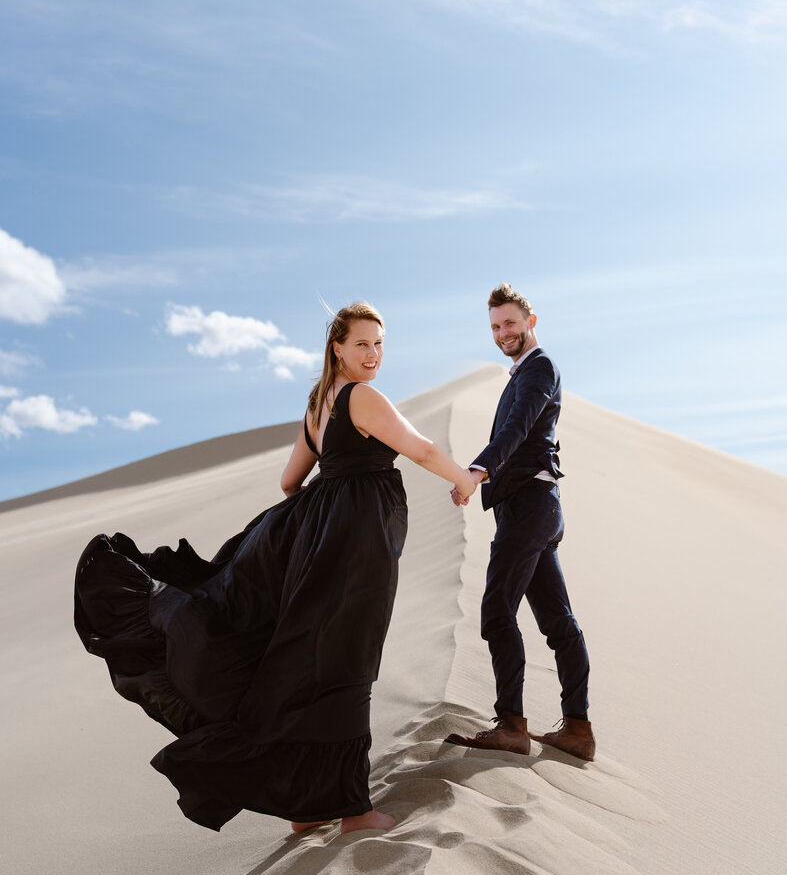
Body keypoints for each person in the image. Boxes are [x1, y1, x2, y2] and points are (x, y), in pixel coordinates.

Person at [74, 301, 476, 835]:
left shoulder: (317, 407)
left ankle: (306, 809)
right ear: (337, 347)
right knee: (347, 663)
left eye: (380, 344)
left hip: (322, 543)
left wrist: (318, 514)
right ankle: (355, 811)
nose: (373, 354)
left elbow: (290, 482)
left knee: (306, 664)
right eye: (362, 343)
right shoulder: (361, 397)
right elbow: (421, 449)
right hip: (356, 548)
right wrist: (465, 479)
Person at [445, 283, 595, 761]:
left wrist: (476, 472)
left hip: (530, 507)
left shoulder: (539, 367)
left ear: (531, 322)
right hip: (536, 508)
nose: (502, 333)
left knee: (497, 612)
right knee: (558, 622)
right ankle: (578, 729)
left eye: (510, 323)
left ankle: (511, 725)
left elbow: (518, 427)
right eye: (494, 326)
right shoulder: (524, 372)